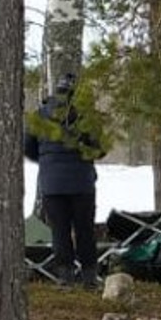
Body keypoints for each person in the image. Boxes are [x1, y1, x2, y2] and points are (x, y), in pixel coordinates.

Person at [23, 73, 103, 286]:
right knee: (85, 229)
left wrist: (46, 161)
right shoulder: (86, 116)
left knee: (60, 231)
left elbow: (28, 148)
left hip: (52, 184)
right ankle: (89, 276)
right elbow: (99, 149)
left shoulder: (40, 116)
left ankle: (65, 276)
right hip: (82, 182)